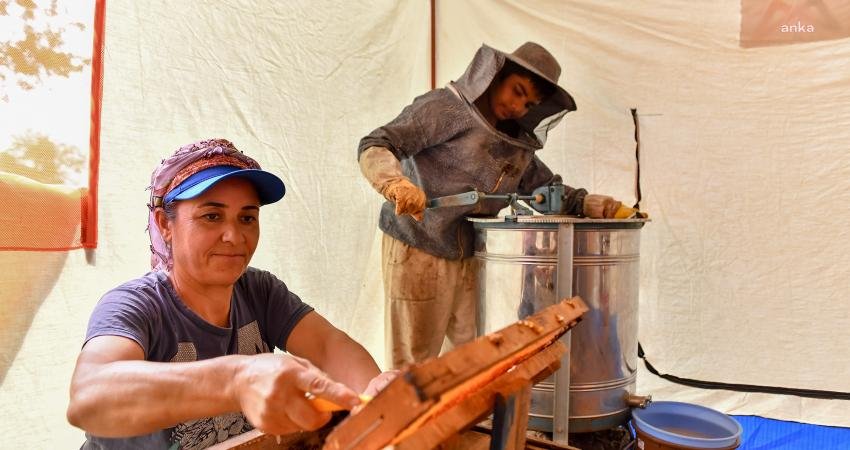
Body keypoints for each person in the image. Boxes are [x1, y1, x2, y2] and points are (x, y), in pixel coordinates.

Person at [67, 139, 395, 450]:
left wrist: (375, 393)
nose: (233, 236)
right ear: (164, 224)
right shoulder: (133, 305)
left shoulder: (259, 291)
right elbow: (90, 397)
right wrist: (236, 380)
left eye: (247, 217)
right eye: (212, 216)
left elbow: (327, 346)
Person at [357, 42, 624, 369]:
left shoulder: (514, 143)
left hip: (470, 256)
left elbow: (546, 190)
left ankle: (458, 421)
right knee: (413, 363)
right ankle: (405, 420)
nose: (519, 107)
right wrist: (394, 183)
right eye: (517, 91)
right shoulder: (444, 109)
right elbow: (377, 143)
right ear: (494, 75)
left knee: (469, 361)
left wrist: (589, 203)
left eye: (529, 103)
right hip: (418, 246)